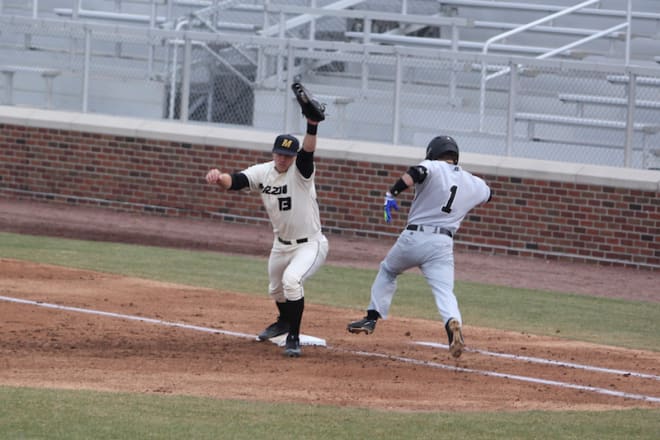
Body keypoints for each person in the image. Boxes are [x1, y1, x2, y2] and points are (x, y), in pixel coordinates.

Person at [346, 135, 491, 359]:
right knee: (445, 291)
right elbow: (488, 195)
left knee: (388, 270)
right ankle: (452, 323)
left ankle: (371, 317)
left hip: (414, 237)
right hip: (443, 244)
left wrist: (392, 192)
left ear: (433, 152)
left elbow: (416, 173)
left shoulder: (431, 166)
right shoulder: (473, 182)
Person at [205, 118, 328, 358]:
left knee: (292, 281)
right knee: (275, 288)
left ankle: (293, 336)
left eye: (287, 156)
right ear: (274, 153)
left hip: (310, 244)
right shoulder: (263, 172)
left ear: (294, 157)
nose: (282, 159)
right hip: (280, 244)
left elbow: (309, 151)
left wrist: (312, 125)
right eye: (279, 154)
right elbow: (237, 181)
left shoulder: (301, 173)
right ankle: (283, 322)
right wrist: (219, 178)